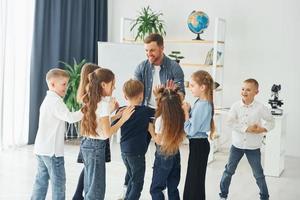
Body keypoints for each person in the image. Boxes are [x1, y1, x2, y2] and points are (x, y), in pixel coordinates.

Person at [80, 68, 134, 200]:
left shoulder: (94, 100)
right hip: (96, 148)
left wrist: (115, 116)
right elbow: (106, 133)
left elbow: (99, 124)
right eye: (112, 84)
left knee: (90, 186)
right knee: (96, 190)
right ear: (103, 84)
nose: (114, 87)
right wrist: (123, 119)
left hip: (87, 145)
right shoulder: (103, 104)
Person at [31, 68, 83, 200]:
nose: (66, 88)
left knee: (41, 181)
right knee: (58, 183)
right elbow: (70, 117)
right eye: (64, 84)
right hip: (52, 152)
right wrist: (85, 110)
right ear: (53, 84)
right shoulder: (56, 102)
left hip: (41, 149)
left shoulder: (48, 100)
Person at [219, 78, 274, 200]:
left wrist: (263, 129)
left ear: (256, 92)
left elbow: (271, 121)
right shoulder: (235, 106)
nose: (244, 92)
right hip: (236, 146)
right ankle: (223, 195)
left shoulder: (260, 108)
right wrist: (246, 128)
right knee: (229, 171)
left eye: (248, 90)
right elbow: (230, 122)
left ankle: (264, 197)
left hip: (253, 147)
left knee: (258, 174)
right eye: (243, 89)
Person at [113, 79, 155, 200]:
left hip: (124, 151)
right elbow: (161, 112)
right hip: (137, 153)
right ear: (142, 95)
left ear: (125, 96)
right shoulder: (146, 111)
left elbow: (113, 124)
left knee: (132, 177)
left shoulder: (121, 110)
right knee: (138, 182)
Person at [182, 70, 216, 200]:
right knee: (196, 179)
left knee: (194, 179)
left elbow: (190, 130)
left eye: (192, 85)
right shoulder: (201, 103)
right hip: (199, 144)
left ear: (202, 87)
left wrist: (185, 112)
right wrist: (190, 110)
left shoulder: (202, 105)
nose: (190, 88)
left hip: (198, 145)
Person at [148, 87, 185, 200]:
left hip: (163, 154)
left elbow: (158, 140)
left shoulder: (160, 120)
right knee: (173, 187)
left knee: (156, 188)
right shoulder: (180, 117)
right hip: (175, 152)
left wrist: (150, 130)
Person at [134, 33, 185, 108]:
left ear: (162, 48)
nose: (149, 54)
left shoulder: (174, 67)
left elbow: (181, 95)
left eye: (152, 50)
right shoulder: (141, 67)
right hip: (145, 110)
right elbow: (135, 93)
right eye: (146, 50)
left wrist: (170, 95)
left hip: (166, 110)